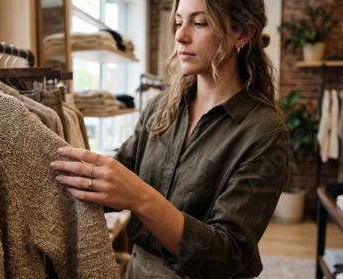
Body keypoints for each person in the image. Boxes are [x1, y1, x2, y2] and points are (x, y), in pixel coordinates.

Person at [50, 0, 290, 277]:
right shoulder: (161, 108)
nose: (180, 35)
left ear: (243, 33)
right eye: (178, 22)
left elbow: (229, 254)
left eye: (199, 23)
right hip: (138, 269)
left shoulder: (265, 134)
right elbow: (114, 185)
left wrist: (141, 198)